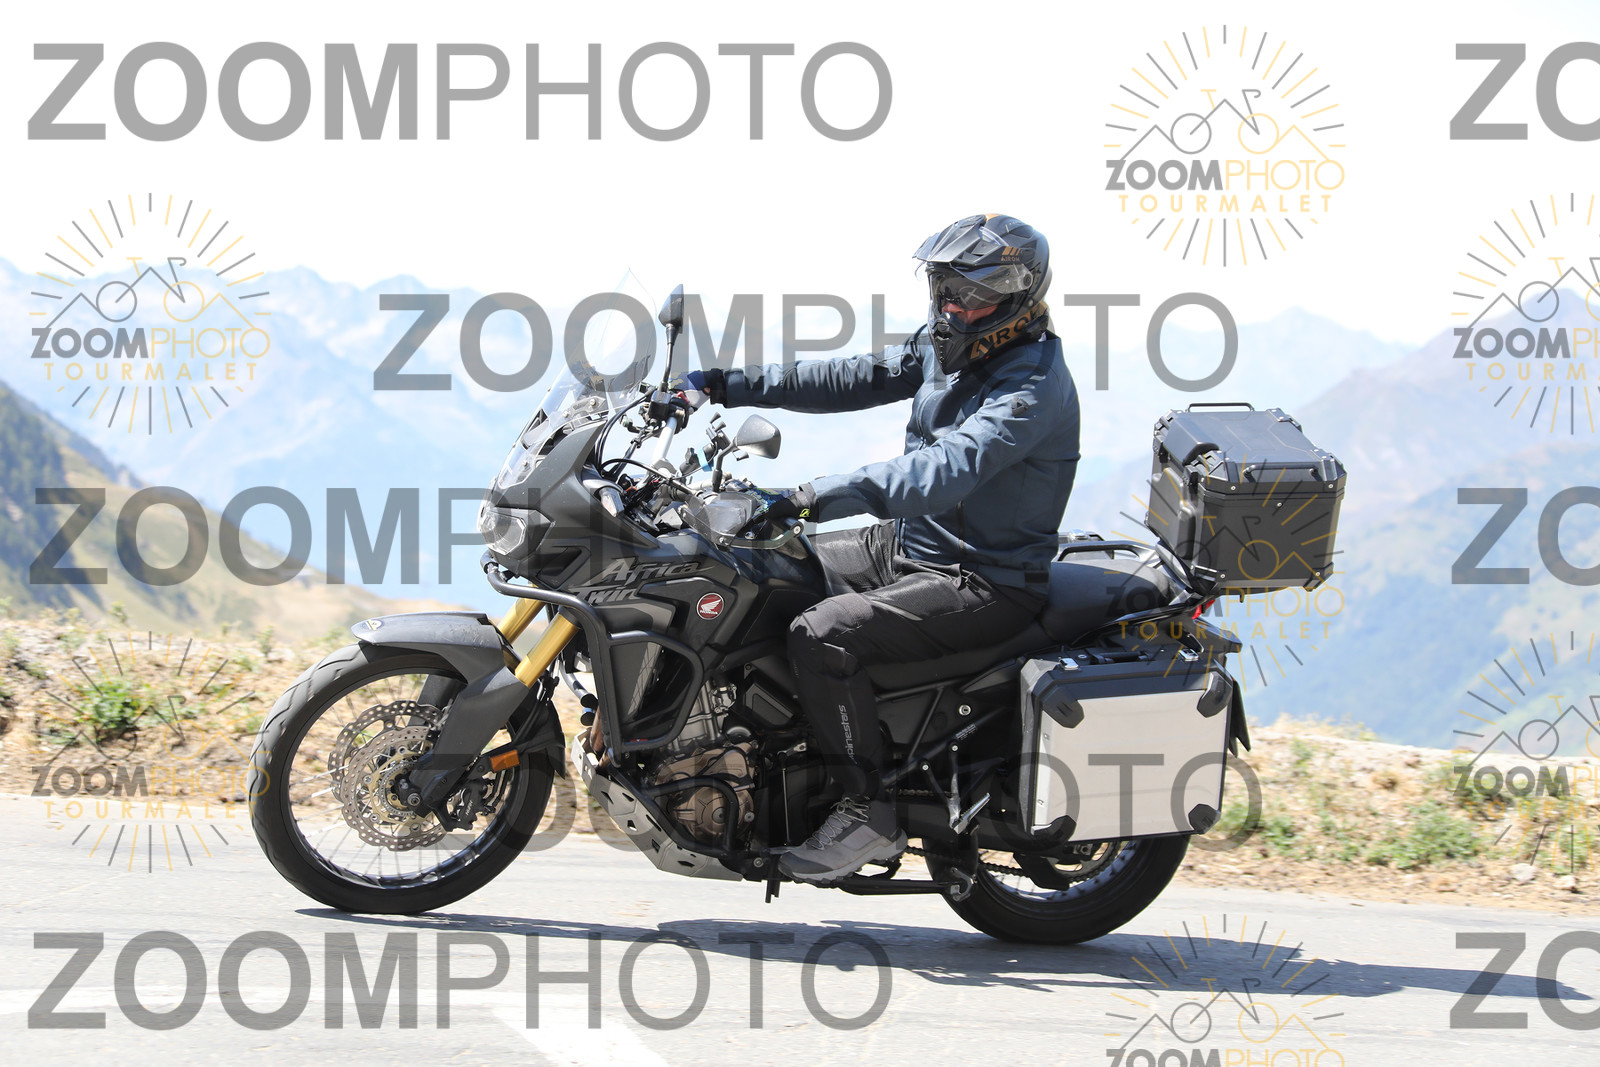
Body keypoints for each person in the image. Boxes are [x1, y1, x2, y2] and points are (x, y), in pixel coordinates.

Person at [675, 214, 1081, 884]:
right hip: (910, 545)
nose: (952, 307)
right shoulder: (954, 344)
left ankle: (869, 812)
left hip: (983, 579)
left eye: (970, 295)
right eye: (945, 289)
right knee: (764, 566)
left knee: (822, 634)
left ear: (1017, 295)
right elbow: (850, 376)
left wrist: (810, 494)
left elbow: (942, 471)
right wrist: (721, 384)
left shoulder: (1029, 387)